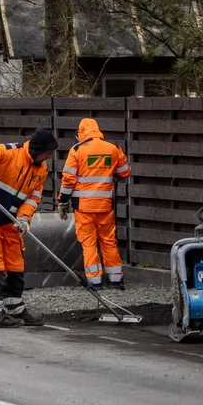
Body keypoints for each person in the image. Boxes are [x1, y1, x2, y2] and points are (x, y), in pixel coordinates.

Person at [0, 128, 58, 328]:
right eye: (47, 153)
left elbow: (34, 198)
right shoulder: (9, 152)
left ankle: (15, 307)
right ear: (38, 149)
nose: (49, 157)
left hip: (11, 220)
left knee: (15, 263)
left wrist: (24, 218)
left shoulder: (41, 170)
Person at [57, 118, 131, 290]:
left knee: (89, 243)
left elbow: (68, 180)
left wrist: (62, 201)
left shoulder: (77, 150)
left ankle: (95, 281)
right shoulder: (113, 148)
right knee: (109, 241)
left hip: (84, 207)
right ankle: (116, 279)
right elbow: (125, 172)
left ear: (80, 133)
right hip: (105, 205)